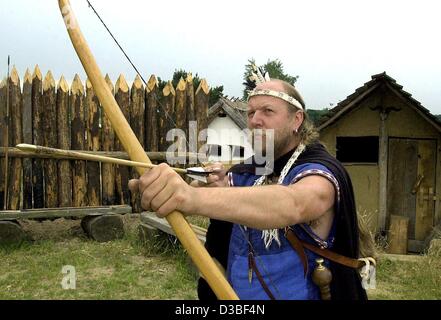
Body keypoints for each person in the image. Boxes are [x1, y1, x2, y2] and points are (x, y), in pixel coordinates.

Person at [128, 76, 368, 300]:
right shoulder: (250, 169)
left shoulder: (321, 169)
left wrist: (190, 196)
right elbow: (211, 196)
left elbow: (293, 203)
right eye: (251, 112)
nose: (254, 120)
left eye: (267, 111)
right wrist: (181, 187)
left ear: (297, 120)